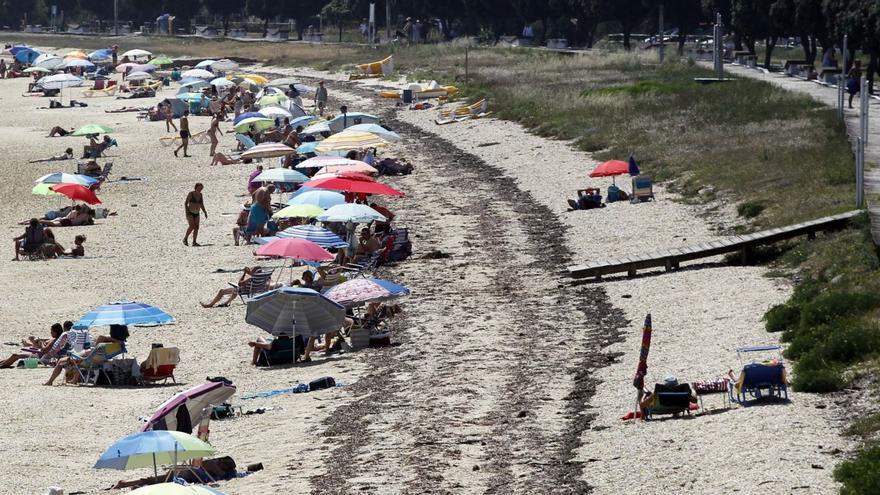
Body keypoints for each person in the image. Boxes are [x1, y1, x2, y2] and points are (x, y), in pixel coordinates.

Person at [44, 324, 129, 385]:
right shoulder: (117, 345)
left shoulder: (104, 340)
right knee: (80, 356)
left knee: (61, 361)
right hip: (98, 361)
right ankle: (74, 379)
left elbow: (99, 339)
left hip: (88, 360)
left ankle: (50, 381)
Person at [0, 323, 67, 368]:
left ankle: (3, 365)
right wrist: (40, 341)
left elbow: (44, 350)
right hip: (40, 355)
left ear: (55, 332)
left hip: (40, 357)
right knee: (14, 356)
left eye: (51, 332)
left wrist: (41, 343)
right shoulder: (59, 339)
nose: (50, 333)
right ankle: (3, 363)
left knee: (15, 355)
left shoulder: (54, 340)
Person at [200, 266, 271, 308]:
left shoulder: (251, 279)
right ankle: (226, 303)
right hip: (256, 290)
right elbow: (268, 281)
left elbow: (240, 283)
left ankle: (210, 304)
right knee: (235, 289)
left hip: (245, 290)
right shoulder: (263, 278)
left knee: (223, 291)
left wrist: (244, 273)